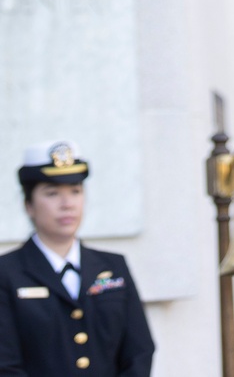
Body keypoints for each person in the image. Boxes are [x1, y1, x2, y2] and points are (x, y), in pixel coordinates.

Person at [0, 142, 155, 377]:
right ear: (28, 205)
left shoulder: (114, 267)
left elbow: (139, 352)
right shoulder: (7, 272)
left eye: (76, 191)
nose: (67, 205)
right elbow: (6, 364)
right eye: (52, 193)